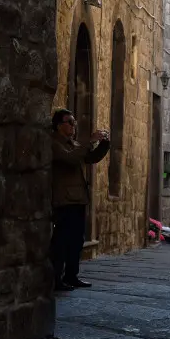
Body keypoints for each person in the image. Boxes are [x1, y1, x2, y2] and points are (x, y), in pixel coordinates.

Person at [50, 108, 110, 291]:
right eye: (70, 122)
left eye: (74, 122)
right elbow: (70, 158)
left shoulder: (73, 143)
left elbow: (89, 158)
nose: (73, 125)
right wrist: (89, 141)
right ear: (59, 125)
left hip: (78, 199)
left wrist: (104, 144)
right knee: (61, 242)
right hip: (63, 200)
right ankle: (55, 279)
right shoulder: (54, 143)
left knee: (76, 241)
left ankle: (71, 275)